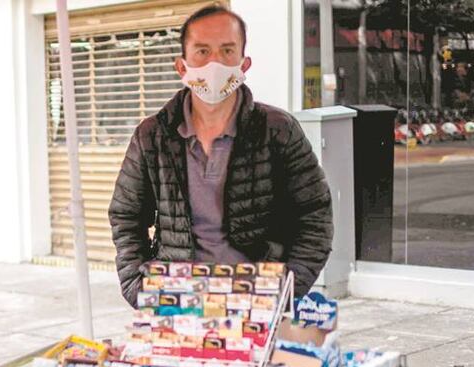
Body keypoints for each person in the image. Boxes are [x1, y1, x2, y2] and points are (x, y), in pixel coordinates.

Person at [109, 3, 333, 306]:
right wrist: (139, 288)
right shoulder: (152, 135)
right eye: (202, 51)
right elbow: (126, 215)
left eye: (227, 51)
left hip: (259, 300)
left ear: (244, 64)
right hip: (176, 301)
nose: (215, 63)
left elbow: (314, 214)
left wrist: (287, 289)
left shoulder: (278, 130)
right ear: (181, 66)